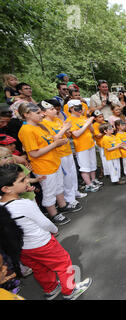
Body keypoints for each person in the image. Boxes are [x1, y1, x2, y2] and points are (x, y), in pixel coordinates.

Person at [0, 164, 92, 300]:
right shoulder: (25, 204)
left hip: (22, 249)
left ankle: (51, 289)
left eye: (26, 178)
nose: (27, 181)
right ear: (6, 188)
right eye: (22, 180)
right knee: (63, 262)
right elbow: (45, 223)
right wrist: (54, 230)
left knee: (39, 268)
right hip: (41, 243)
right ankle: (70, 290)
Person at [17, 103, 74, 225]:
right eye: (37, 113)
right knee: (49, 191)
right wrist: (55, 144)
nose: (42, 114)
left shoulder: (40, 126)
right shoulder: (26, 130)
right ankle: (53, 214)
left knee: (58, 186)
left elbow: (51, 140)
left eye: (41, 112)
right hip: (44, 166)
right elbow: (34, 154)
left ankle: (62, 205)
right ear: (26, 114)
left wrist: (58, 141)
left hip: (54, 161)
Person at [40, 101, 83, 212]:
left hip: (67, 150)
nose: (55, 110)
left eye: (55, 108)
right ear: (44, 112)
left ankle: (74, 192)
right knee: (66, 176)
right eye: (51, 109)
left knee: (73, 173)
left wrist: (67, 131)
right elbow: (53, 138)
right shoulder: (44, 124)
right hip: (58, 154)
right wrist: (64, 129)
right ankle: (69, 198)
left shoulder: (58, 120)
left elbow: (66, 134)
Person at [66, 100, 101, 193]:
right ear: (71, 109)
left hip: (90, 143)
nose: (79, 109)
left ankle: (93, 180)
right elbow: (76, 134)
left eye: (80, 107)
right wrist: (86, 124)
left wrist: (89, 123)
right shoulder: (70, 120)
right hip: (81, 147)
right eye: (76, 107)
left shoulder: (83, 117)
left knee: (92, 163)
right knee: (84, 166)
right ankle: (88, 184)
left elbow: (92, 130)